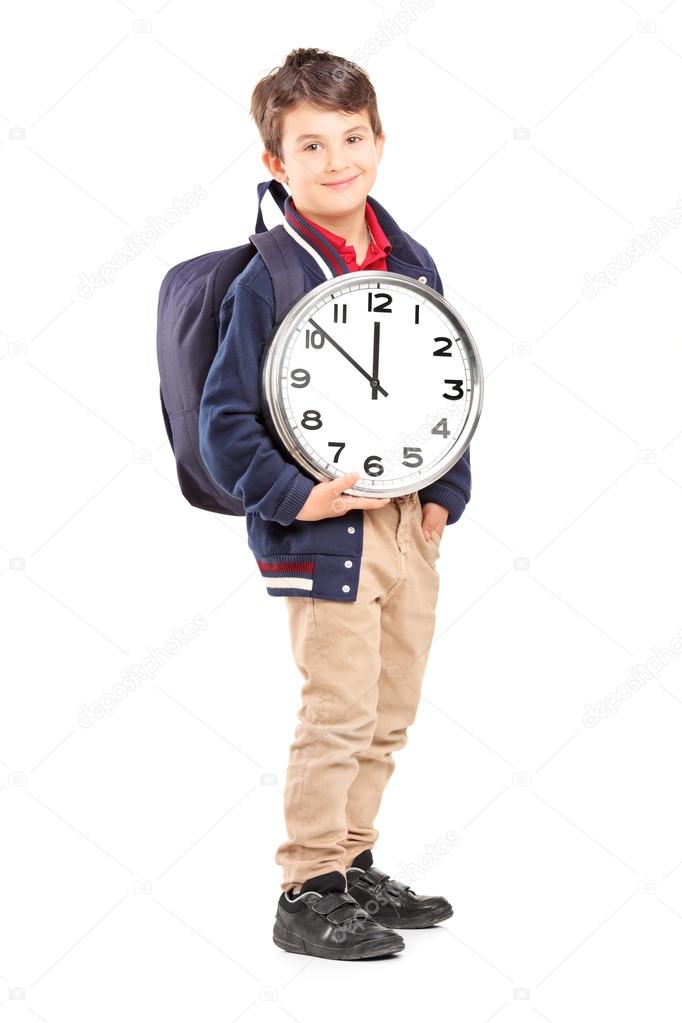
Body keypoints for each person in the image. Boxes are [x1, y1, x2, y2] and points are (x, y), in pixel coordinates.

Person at [199, 47, 472, 961]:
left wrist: (444, 492)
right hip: (327, 531)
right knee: (339, 711)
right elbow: (225, 424)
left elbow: (444, 386)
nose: (337, 160)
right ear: (276, 163)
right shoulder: (269, 277)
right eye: (310, 146)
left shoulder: (411, 258)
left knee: (391, 708)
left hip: (408, 523)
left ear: (380, 140)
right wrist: (294, 497)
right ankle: (306, 886)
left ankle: (352, 863)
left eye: (352, 137)